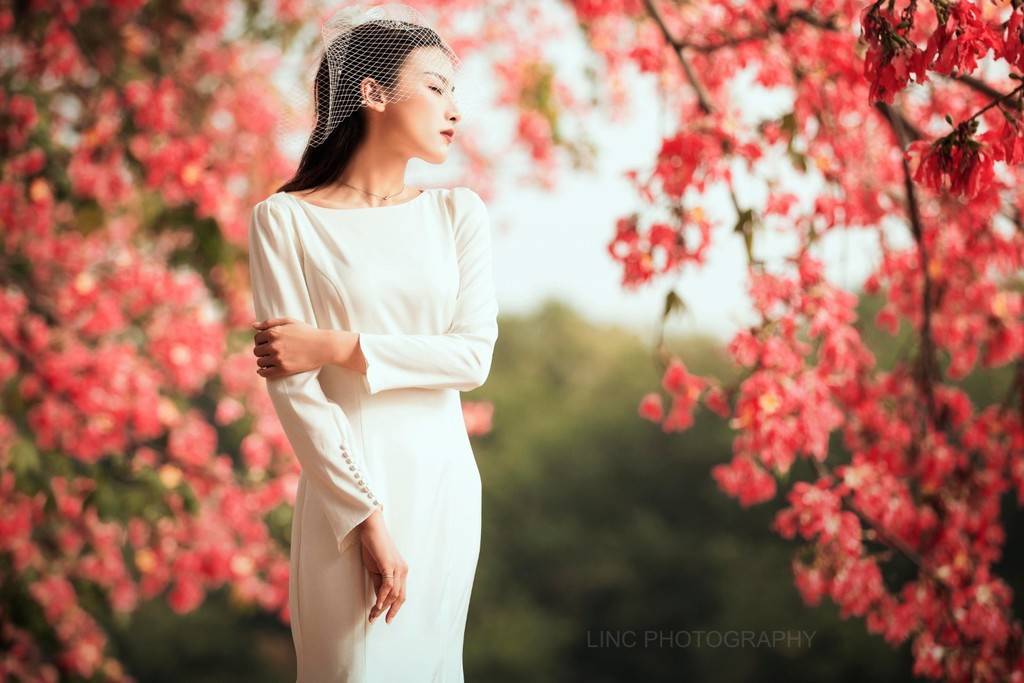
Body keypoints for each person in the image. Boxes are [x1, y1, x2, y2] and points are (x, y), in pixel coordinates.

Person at [246, 5, 498, 681]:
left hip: (444, 481)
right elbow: (292, 391)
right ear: (373, 92)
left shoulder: (458, 214)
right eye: (437, 87)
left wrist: (334, 345)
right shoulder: (284, 220)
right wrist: (364, 517)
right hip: (349, 491)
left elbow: (471, 357)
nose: (455, 110)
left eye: (455, 92)